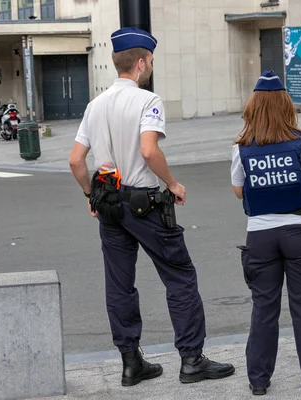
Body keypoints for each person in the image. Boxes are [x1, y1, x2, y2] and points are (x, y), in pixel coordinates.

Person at [68, 27, 234, 387]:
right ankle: (191, 359)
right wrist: (172, 184)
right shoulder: (148, 101)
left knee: (119, 284)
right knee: (180, 277)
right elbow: (148, 150)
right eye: (152, 62)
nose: (151, 68)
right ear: (141, 63)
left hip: (109, 202)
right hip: (144, 203)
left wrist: (88, 196)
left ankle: (131, 363)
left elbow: (76, 161)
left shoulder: (94, 105)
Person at [231, 70, 301, 397]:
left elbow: (239, 191)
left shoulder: (241, 148)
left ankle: (259, 380)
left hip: (260, 236)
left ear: (253, 108)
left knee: (264, 308)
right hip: (299, 232)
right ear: (286, 106)